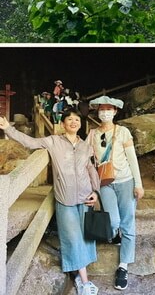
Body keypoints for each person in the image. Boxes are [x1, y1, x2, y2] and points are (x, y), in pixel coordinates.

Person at [0, 110, 100, 295]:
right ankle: (85, 282)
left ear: (80, 124)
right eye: (69, 119)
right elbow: (30, 142)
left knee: (85, 238)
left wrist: (96, 191)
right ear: (63, 124)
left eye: (77, 119)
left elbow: (91, 169)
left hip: (86, 198)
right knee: (73, 239)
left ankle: (78, 275)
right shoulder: (53, 141)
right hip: (65, 198)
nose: (73, 122)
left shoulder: (86, 146)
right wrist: (9, 129)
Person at [87, 95, 144, 291]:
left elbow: (132, 159)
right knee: (112, 221)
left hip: (125, 181)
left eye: (108, 109)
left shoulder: (123, 132)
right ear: (98, 112)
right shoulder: (92, 133)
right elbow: (85, 158)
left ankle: (123, 266)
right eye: (101, 109)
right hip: (104, 182)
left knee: (127, 222)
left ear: (115, 111)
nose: (105, 112)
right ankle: (115, 235)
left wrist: (138, 183)